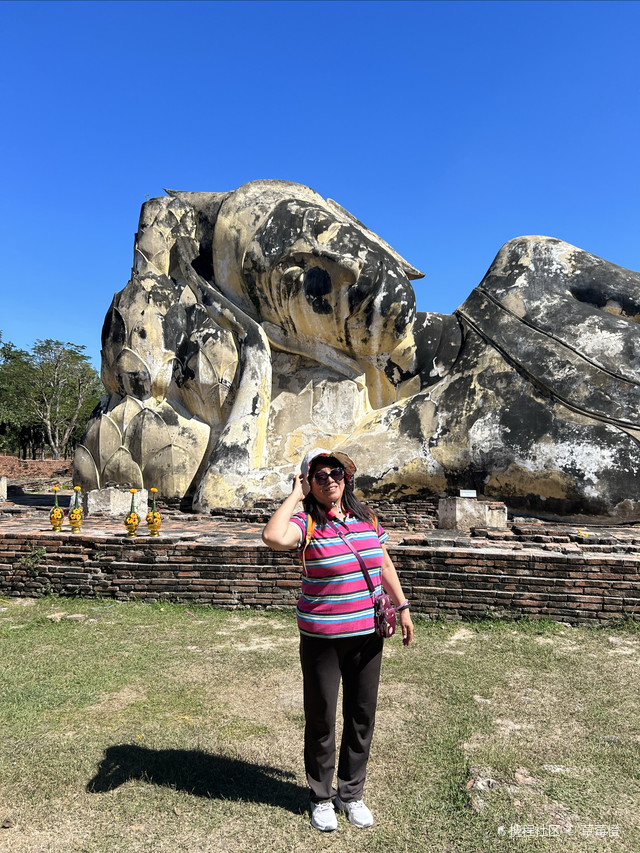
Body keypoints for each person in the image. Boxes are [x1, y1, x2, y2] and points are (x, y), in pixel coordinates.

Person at [262, 448, 414, 832]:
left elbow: (381, 561)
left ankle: (351, 793)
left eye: (335, 472)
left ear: (347, 478)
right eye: (318, 475)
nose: (329, 479)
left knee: (362, 715)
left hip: (366, 634)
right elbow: (272, 536)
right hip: (322, 638)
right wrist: (295, 496)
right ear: (308, 482)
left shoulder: (366, 517)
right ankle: (320, 797)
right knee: (321, 718)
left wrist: (403, 606)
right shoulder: (305, 523)